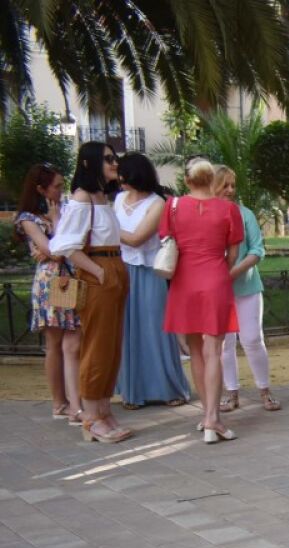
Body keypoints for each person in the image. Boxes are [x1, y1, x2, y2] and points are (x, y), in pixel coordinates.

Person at [51, 142, 130, 443]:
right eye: (108, 158)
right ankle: (92, 417)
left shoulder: (101, 197)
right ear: (89, 162)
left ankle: (104, 411)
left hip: (114, 266)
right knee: (97, 345)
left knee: (111, 346)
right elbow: (65, 245)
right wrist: (98, 271)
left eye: (114, 158)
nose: (114, 163)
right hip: (100, 269)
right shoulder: (82, 197)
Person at [162, 158, 244, 444]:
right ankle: (213, 419)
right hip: (215, 278)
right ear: (212, 180)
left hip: (184, 281)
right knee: (214, 351)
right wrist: (219, 269)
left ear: (187, 180)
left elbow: (167, 241)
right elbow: (233, 253)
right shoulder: (228, 209)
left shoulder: (172, 206)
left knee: (196, 351)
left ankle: (206, 415)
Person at [114, 153, 189, 410]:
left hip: (147, 271)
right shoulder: (119, 199)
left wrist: (105, 225)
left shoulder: (157, 203)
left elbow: (137, 238)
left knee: (155, 328)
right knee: (128, 331)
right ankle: (133, 391)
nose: (118, 177)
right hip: (123, 269)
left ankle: (169, 388)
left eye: (122, 173)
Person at [14, 163, 81, 423]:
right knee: (54, 342)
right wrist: (55, 225)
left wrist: (53, 243)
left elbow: (69, 243)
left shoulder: (66, 209)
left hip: (69, 276)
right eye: (56, 186)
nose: (60, 191)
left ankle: (74, 398)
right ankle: (59, 402)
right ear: (41, 189)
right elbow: (55, 251)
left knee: (73, 338)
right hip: (51, 281)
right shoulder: (28, 218)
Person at [214, 166, 277, 413]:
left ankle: (265, 390)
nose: (230, 190)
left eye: (233, 185)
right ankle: (232, 393)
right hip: (217, 291)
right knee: (224, 344)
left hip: (247, 287)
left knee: (252, 339)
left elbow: (257, 250)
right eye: (224, 185)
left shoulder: (244, 214)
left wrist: (233, 273)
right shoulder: (205, 215)